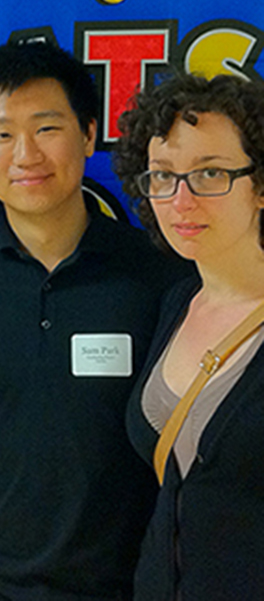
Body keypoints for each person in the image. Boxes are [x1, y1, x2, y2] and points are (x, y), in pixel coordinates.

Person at [0, 40, 189, 601]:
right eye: (1, 135)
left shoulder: (160, 275)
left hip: (136, 586)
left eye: (47, 128)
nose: (25, 154)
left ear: (88, 134)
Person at [115, 72, 264, 600]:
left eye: (210, 174)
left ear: (260, 186)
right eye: (162, 176)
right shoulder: (177, 302)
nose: (180, 199)